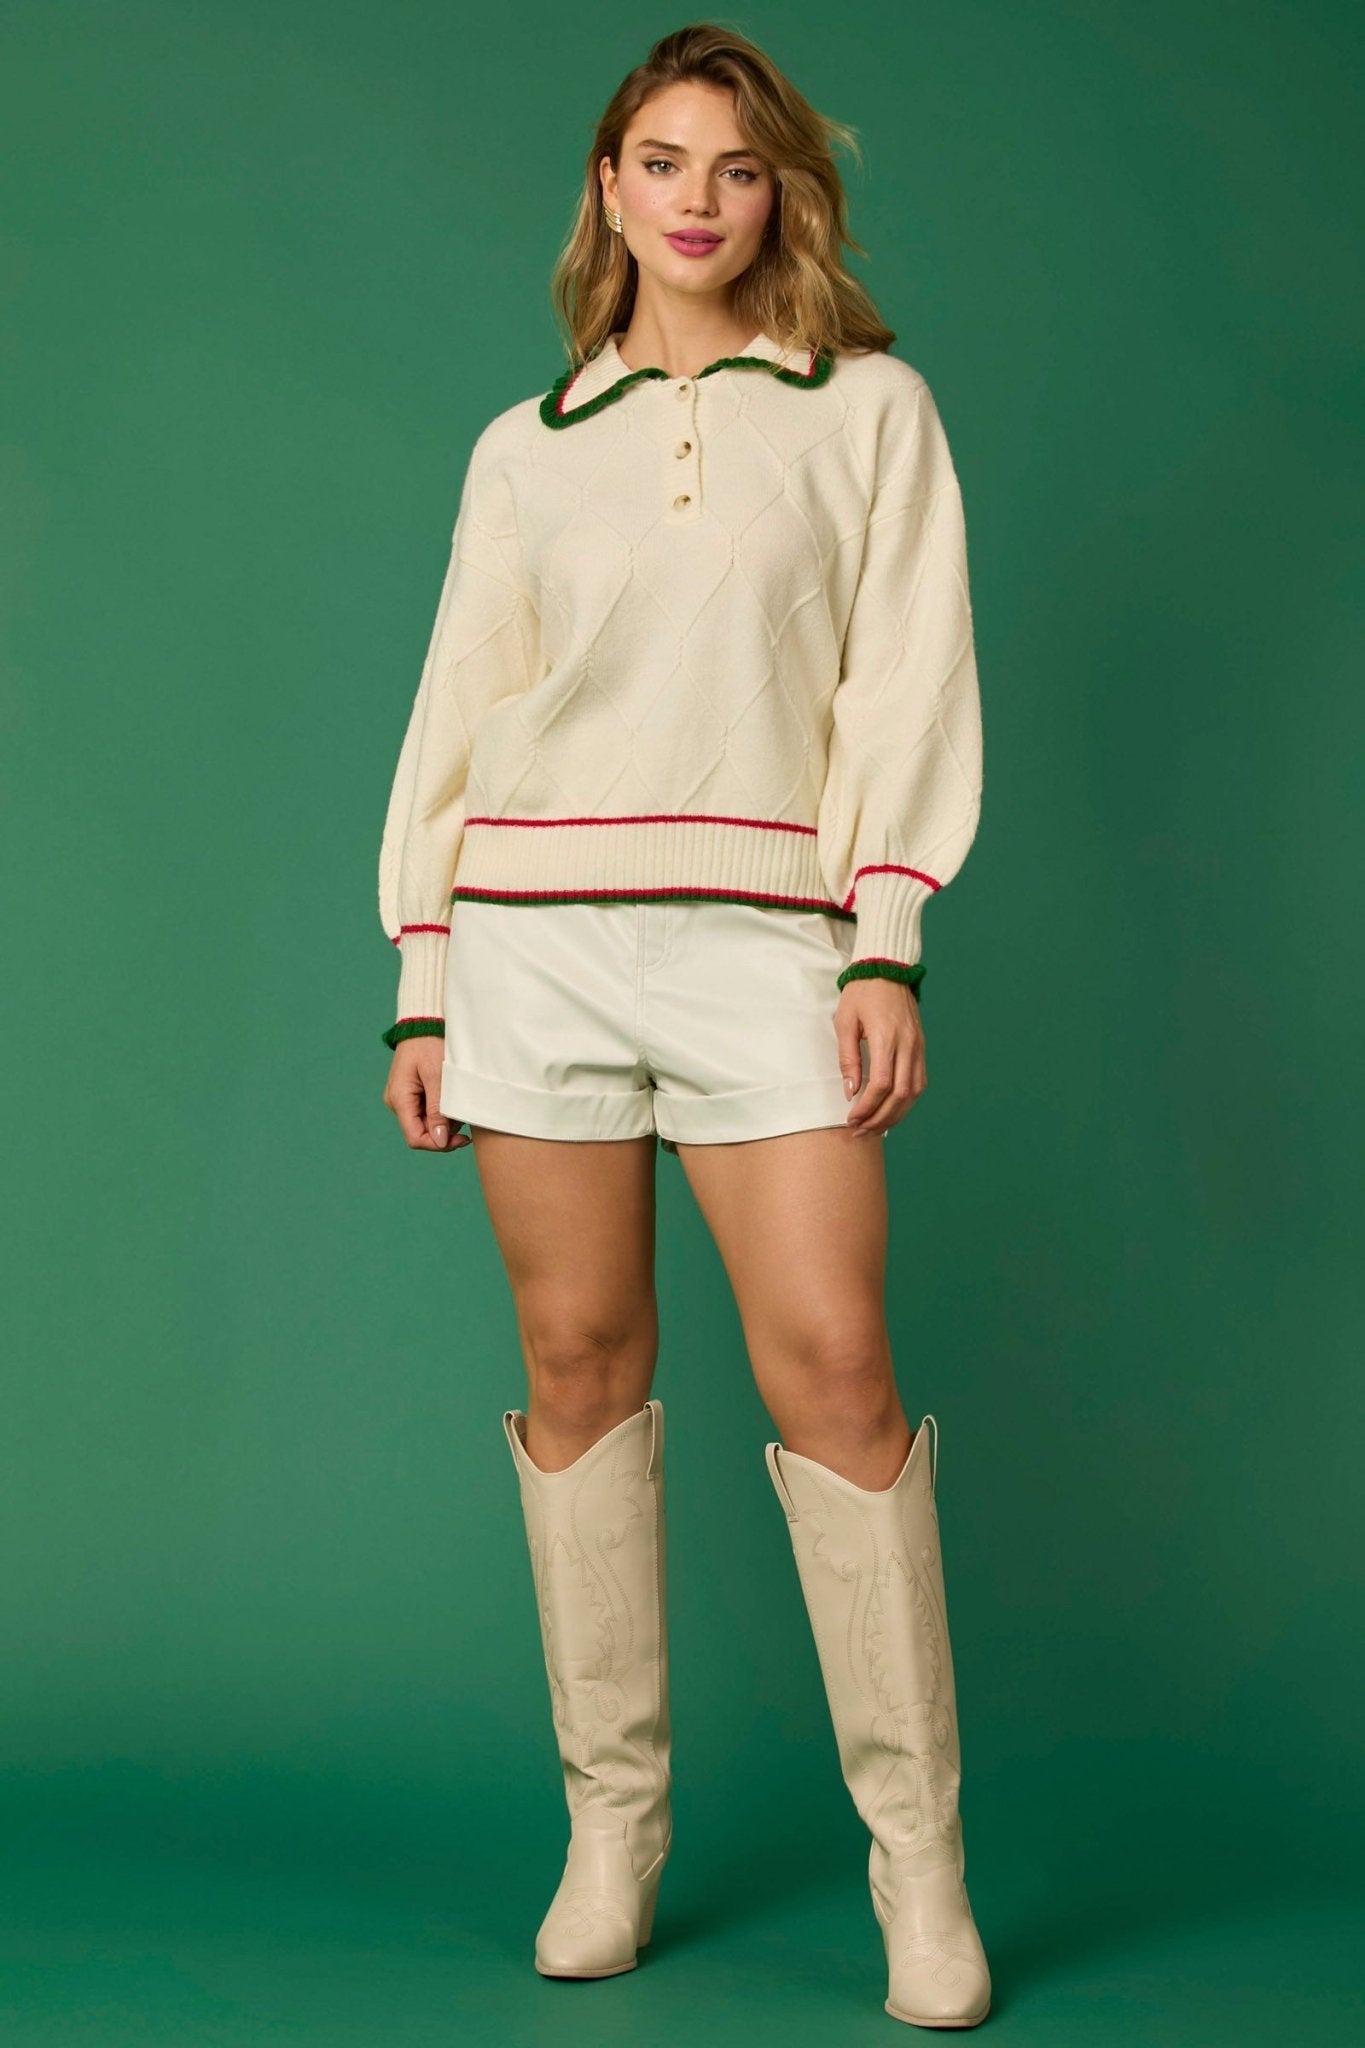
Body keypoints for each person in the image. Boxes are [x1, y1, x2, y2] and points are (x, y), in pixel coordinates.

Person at [376, 22, 991, 2032]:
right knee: (574, 1362)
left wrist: (880, 941)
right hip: (534, 941)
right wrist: (425, 976)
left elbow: (903, 677)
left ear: (778, 189)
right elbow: (462, 705)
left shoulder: (866, 410)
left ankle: (919, 1871)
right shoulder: (523, 444)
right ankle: (610, 1833)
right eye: (661, 162)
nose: (697, 200)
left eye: (733, 166)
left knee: (834, 1366)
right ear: (609, 187)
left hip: (763, 944)